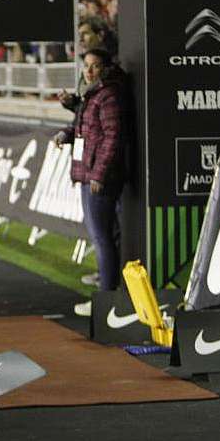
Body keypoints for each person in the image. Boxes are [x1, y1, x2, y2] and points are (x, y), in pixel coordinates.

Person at [53, 48, 129, 316]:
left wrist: (99, 173)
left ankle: (107, 299)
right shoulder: (93, 94)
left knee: (102, 238)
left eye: (95, 66)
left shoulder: (107, 96)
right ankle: (109, 294)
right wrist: (66, 133)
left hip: (98, 177)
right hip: (87, 172)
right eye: (86, 66)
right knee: (104, 237)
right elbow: (85, 129)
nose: (89, 71)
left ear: (106, 68)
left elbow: (112, 137)